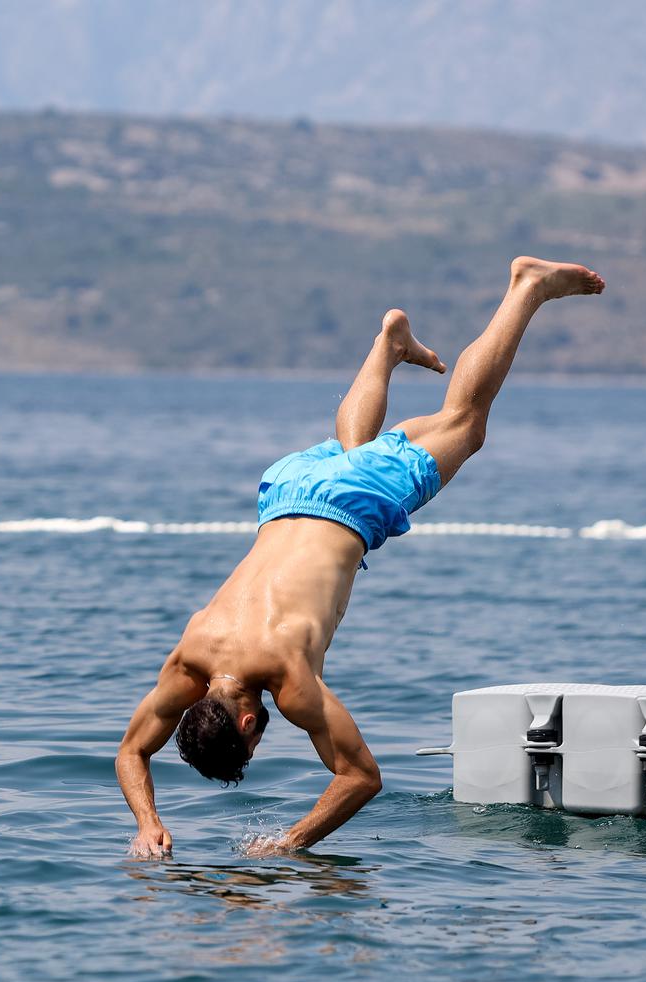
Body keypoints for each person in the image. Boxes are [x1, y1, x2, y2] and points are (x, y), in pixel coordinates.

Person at [117, 256, 605, 856]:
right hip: (285, 491)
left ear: (247, 726)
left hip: (351, 507)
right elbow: (133, 750)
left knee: (466, 423)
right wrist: (146, 822)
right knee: (359, 450)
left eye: (253, 746)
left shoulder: (289, 679)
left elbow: (361, 778)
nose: (260, 740)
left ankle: (528, 288)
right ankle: (389, 345)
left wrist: (290, 841)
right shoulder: (190, 658)